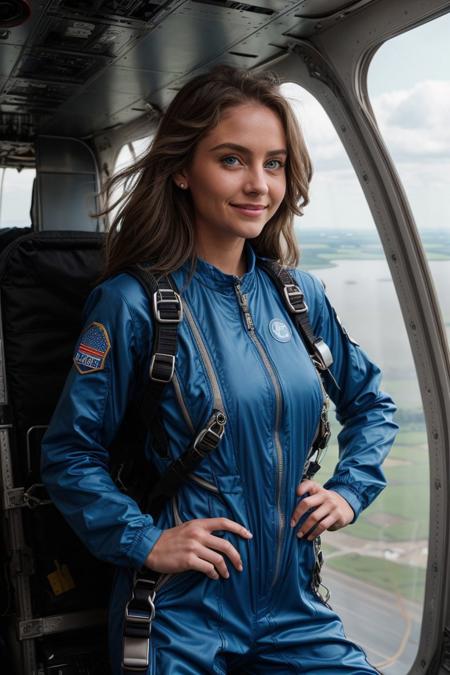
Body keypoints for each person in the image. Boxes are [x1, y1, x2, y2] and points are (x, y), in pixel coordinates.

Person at [41, 65, 398, 674]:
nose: (259, 184)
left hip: (296, 606)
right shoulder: (133, 305)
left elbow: (371, 403)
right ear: (182, 170)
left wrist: (349, 490)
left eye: (275, 163)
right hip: (184, 613)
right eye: (232, 160)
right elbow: (70, 454)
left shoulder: (299, 297)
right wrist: (145, 541)